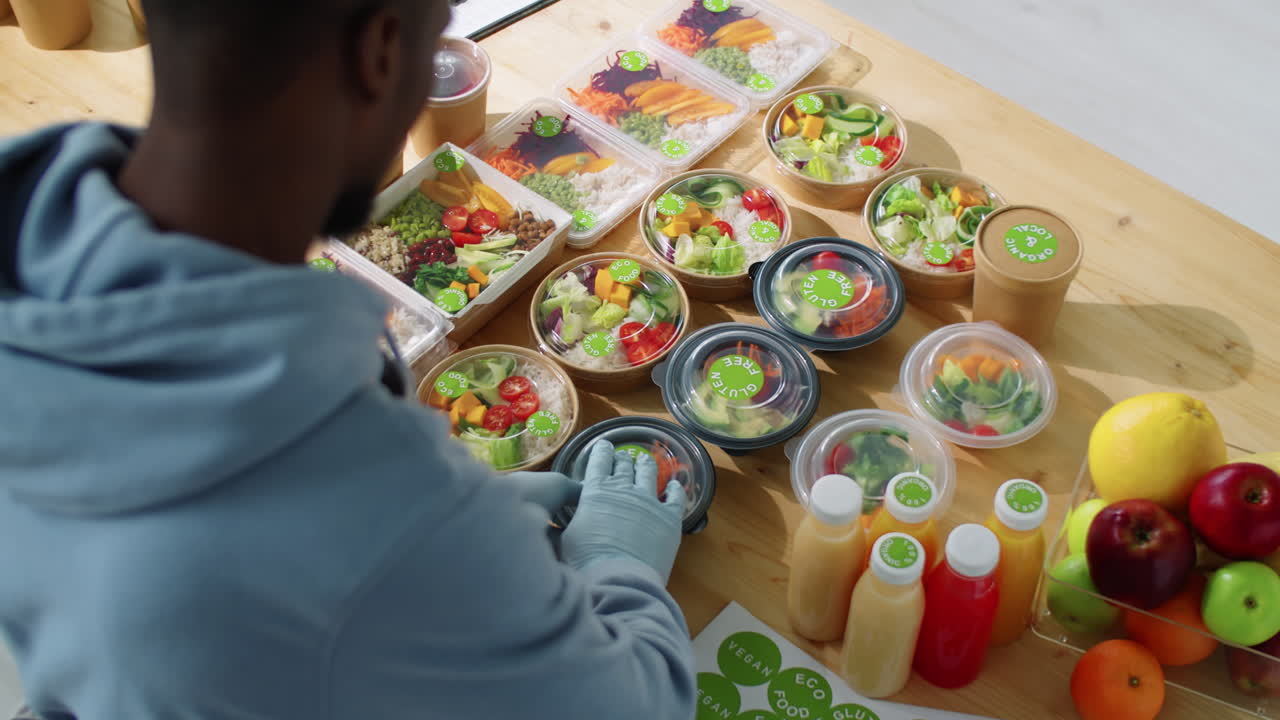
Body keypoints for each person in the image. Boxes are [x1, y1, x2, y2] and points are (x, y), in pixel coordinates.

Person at [0, 1, 696, 718]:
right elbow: (639, 706)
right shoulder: (389, 523)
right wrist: (619, 563)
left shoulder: (32, 242)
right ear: (381, 51)